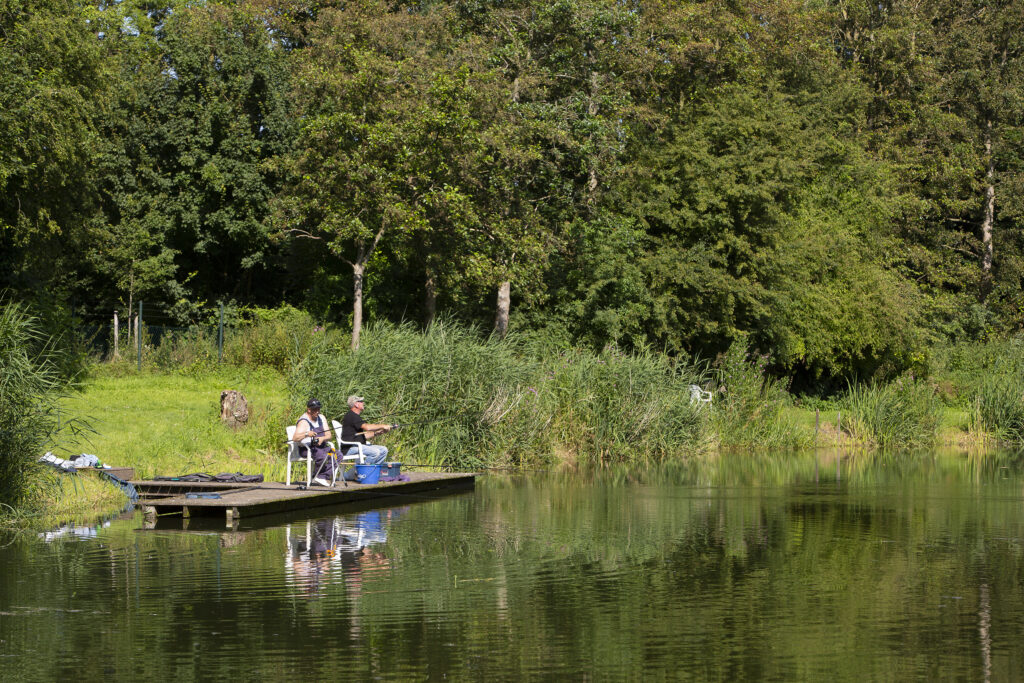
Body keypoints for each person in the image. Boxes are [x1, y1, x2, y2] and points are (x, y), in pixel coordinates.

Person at [339, 395, 394, 481]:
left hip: (357, 446)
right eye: (361, 401)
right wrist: (383, 425)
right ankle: (362, 474)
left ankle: (370, 473)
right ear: (356, 404)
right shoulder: (351, 415)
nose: (363, 403)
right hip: (349, 448)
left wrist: (377, 433)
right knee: (375, 452)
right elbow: (367, 427)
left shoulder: (356, 417)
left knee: (384, 450)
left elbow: (363, 436)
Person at [294, 398, 334, 486]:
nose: (317, 412)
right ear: (309, 410)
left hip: (321, 447)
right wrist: (307, 434)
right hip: (307, 449)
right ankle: (319, 476)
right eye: (315, 410)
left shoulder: (322, 418)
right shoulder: (303, 421)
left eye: (318, 409)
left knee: (337, 455)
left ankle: (321, 476)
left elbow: (329, 435)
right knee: (322, 455)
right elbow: (295, 438)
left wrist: (322, 439)